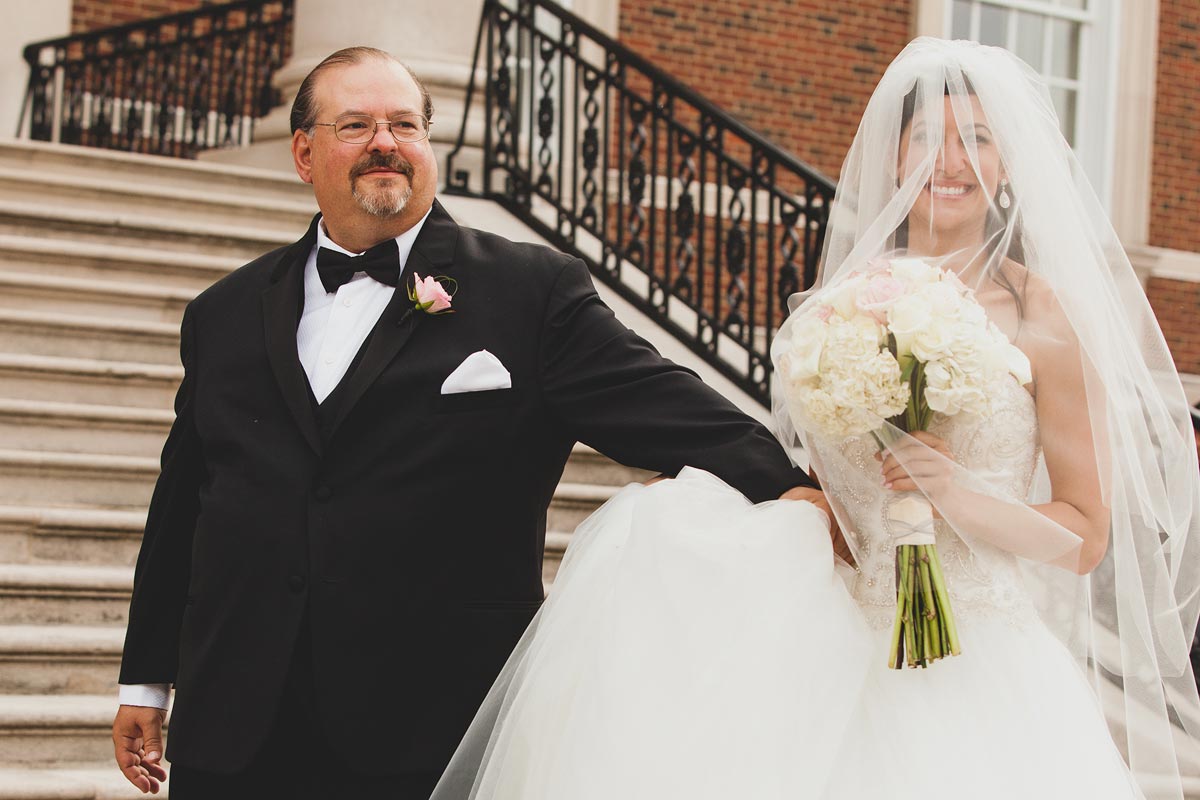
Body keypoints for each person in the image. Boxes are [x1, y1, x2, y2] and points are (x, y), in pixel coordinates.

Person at [426, 38, 1200, 800]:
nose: (951, 160)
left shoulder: (1046, 317)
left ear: (1007, 167)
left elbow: (1084, 538)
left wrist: (956, 494)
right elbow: (821, 482)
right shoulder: (833, 312)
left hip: (978, 655)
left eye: (978, 140)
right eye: (928, 136)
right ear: (896, 158)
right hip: (830, 641)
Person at [109, 46, 829, 798]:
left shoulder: (530, 291)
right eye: (354, 125)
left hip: (438, 725)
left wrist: (798, 491)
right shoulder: (222, 313)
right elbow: (185, 504)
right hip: (240, 726)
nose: (385, 142)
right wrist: (146, 679)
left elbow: (670, 410)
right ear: (303, 152)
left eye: (405, 124)